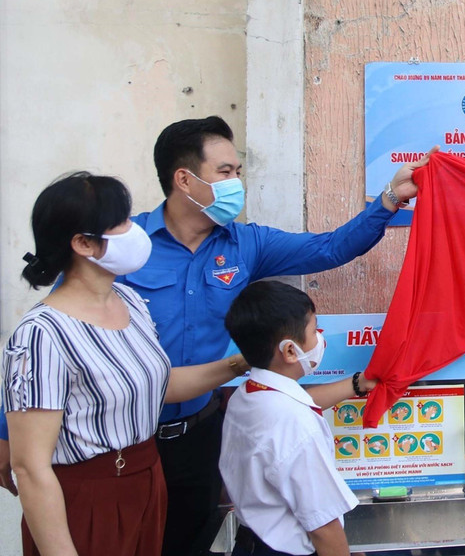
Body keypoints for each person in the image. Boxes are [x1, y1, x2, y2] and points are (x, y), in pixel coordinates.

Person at [0, 116, 433, 554]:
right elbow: (46, 358)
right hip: (116, 450)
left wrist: (389, 198)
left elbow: (329, 248)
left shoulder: (244, 244)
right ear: (184, 179)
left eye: (238, 172)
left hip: (196, 435)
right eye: (224, 173)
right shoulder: (119, 259)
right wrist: (9, 437)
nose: (236, 183)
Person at [2, 172, 250, 556]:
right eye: (120, 223)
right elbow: (31, 469)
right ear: (84, 243)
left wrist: (238, 364)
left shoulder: (129, 301)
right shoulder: (43, 333)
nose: (134, 229)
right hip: (88, 497)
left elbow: (158, 385)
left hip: (146, 480)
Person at [220, 280, 377, 556]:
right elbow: (323, 527)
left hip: (252, 541)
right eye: (314, 330)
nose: (320, 338)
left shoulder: (248, 394)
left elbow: (295, 407)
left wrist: (357, 383)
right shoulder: (296, 425)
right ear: (291, 351)